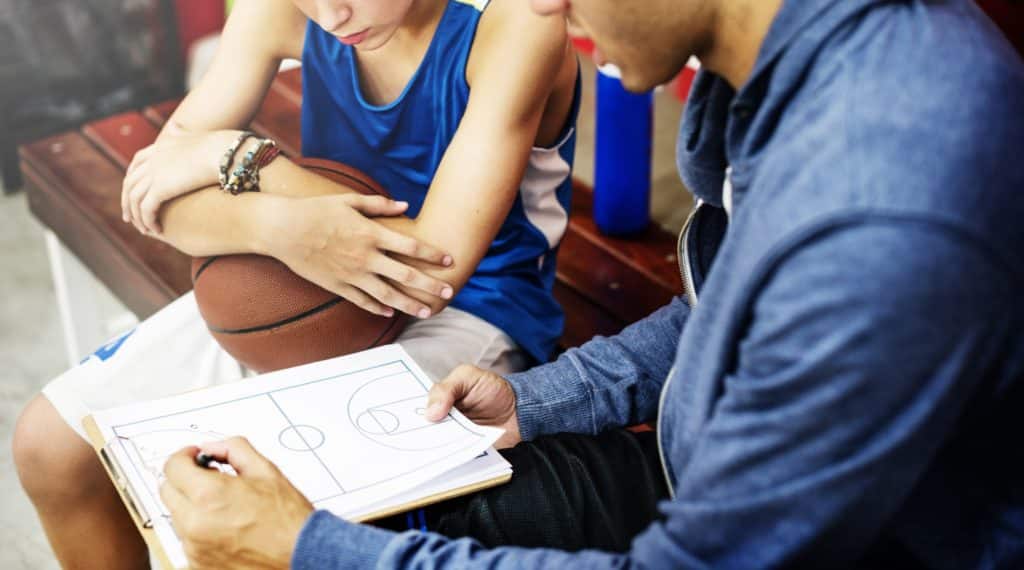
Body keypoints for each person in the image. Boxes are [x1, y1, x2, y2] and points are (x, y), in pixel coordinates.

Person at [148, 0, 1024, 567]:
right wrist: (541, 402)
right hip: (704, 461)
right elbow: (739, 304)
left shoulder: (882, 213)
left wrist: (307, 549)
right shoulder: (820, 61)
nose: (544, 9)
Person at [12, 0, 580, 567]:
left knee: (260, 513)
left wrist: (243, 161)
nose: (330, 14)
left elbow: (432, 267)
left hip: (470, 309)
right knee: (51, 445)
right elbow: (156, 198)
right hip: (302, 278)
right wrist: (275, 227)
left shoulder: (515, 24)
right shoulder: (280, 11)